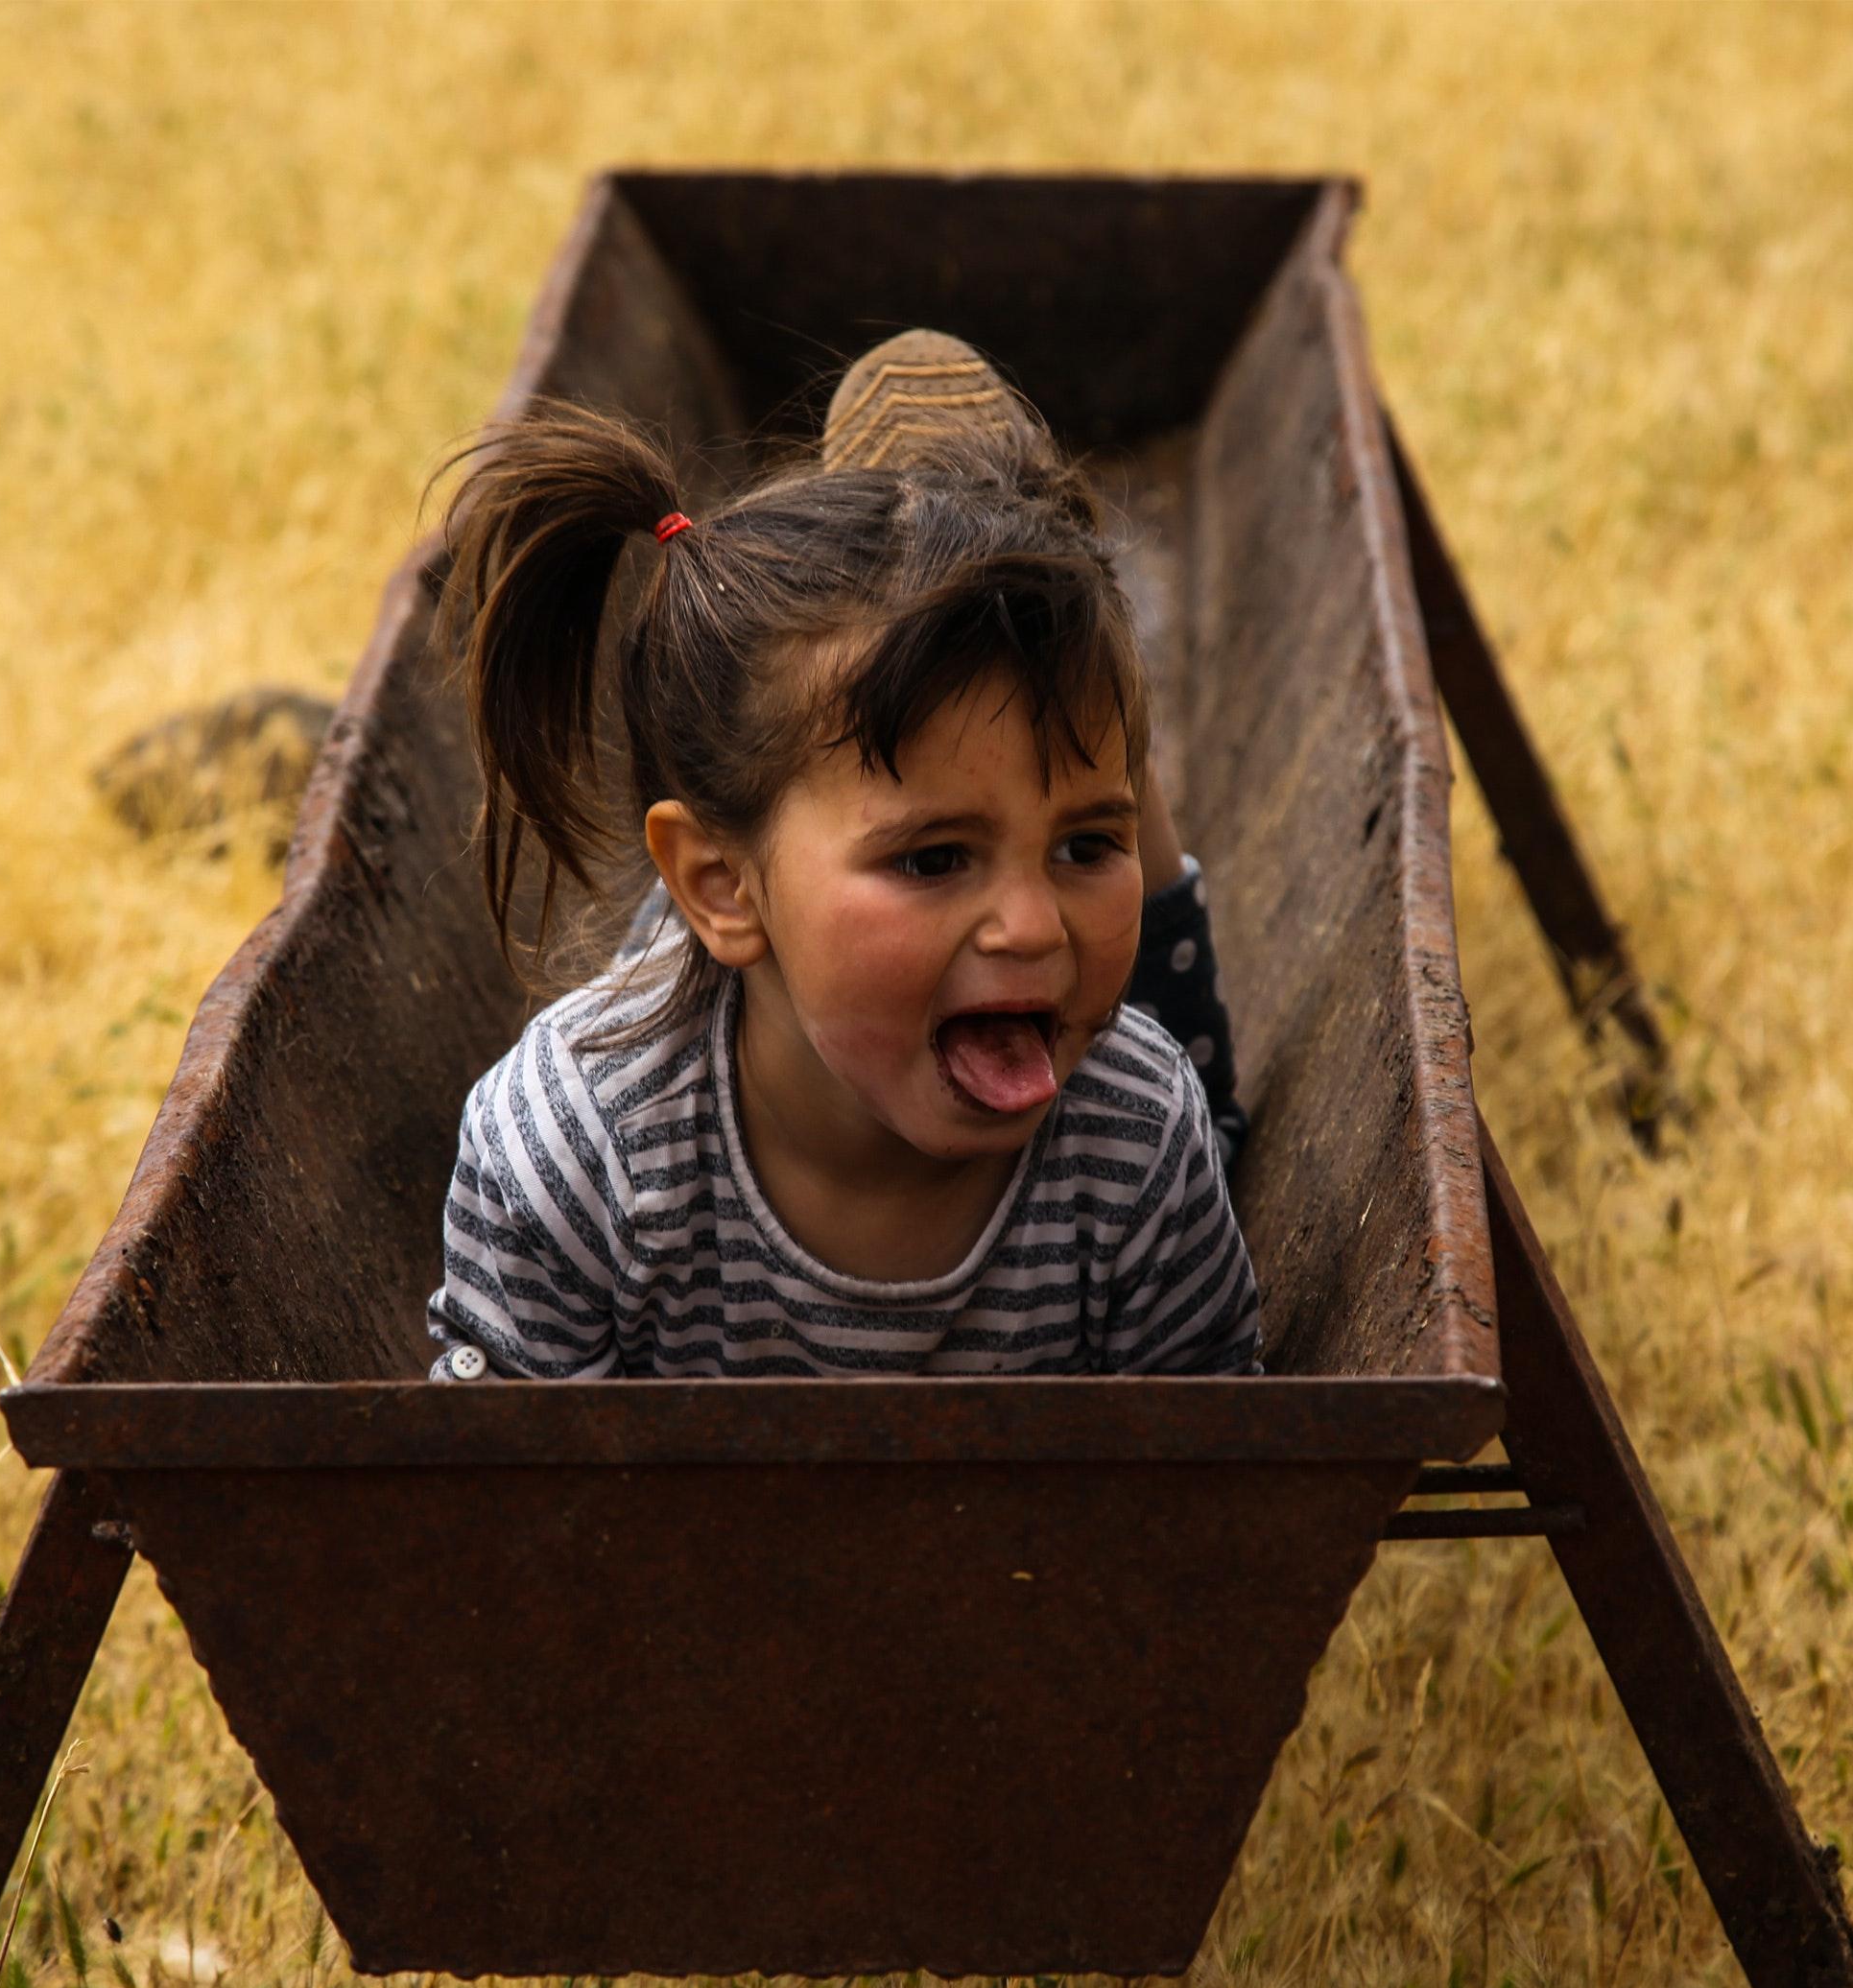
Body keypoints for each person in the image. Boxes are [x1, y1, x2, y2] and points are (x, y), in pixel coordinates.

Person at [421, 332, 1256, 1379]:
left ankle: (999, 543)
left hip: (789, 919)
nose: (1033, 923)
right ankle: (980, 537)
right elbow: (505, 1511)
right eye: (935, 859)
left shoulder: (1140, 1136)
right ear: (712, 887)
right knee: (761, 894)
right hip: (711, 968)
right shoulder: (572, 1151)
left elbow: (1215, 1478)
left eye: (1090, 841)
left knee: (1210, 1121)